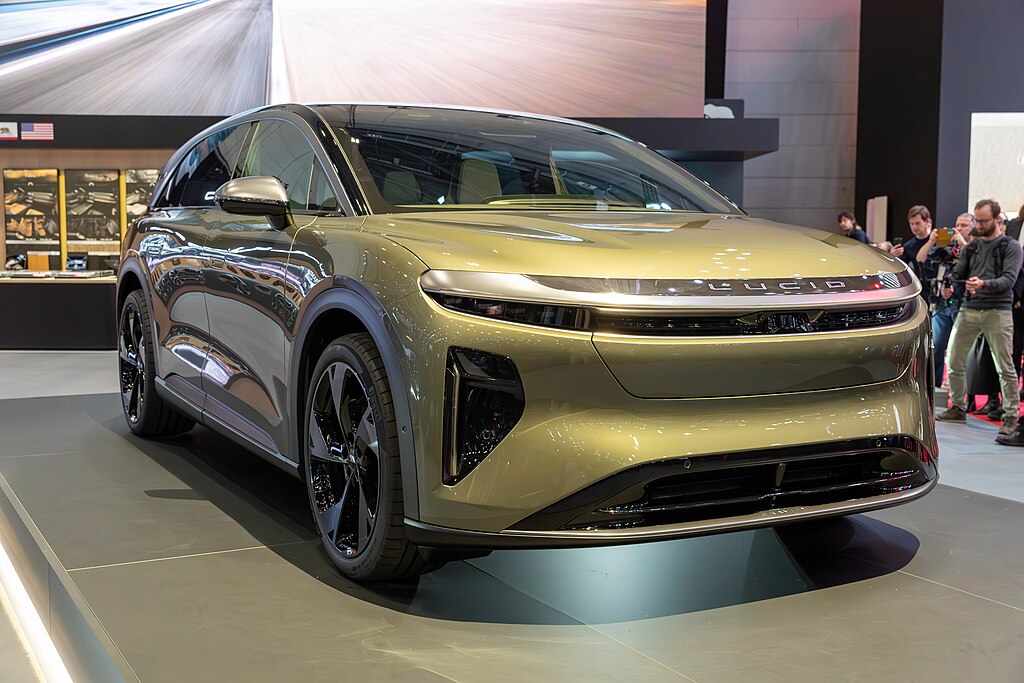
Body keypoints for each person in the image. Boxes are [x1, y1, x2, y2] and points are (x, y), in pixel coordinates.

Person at [937, 199, 1023, 439]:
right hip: (970, 309)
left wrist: (983, 283)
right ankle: (957, 407)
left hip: (998, 310)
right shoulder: (971, 248)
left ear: (997, 219)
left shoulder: (1011, 247)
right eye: (977, 220)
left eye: (984, 220)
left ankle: (1011, 416)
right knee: (953, 359)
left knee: (1005, 366)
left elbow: (1009, 280)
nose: (980, 225)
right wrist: (956, 286)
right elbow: (958, 275)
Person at [918, 212, 972, 387]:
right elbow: (920, 259)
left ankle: (966, 394)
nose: (959, 228)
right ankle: (934, 387)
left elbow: (975, 258)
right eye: (957, 224)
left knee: (962, 352)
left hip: (963, 304)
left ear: (973, 227)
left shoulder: (974, 246)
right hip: (941, 304)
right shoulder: (946, 248)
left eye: (964, 225)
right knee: (935, 348)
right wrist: (931, 241)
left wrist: (962, 242)